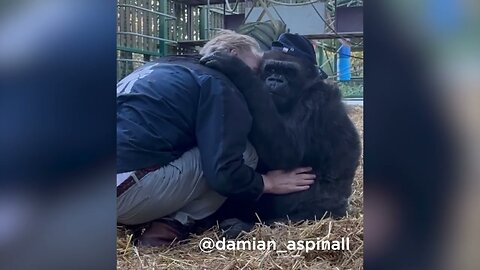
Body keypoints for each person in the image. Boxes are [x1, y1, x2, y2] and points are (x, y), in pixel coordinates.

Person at [116, 30, 316, 247]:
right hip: (124, 195)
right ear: (232, 54)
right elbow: (224, 174)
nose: (259, 77)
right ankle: (168, 228)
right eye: (257, 67)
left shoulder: (160, 67)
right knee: (243, 153)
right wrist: (267, 183)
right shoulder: (220, 84)